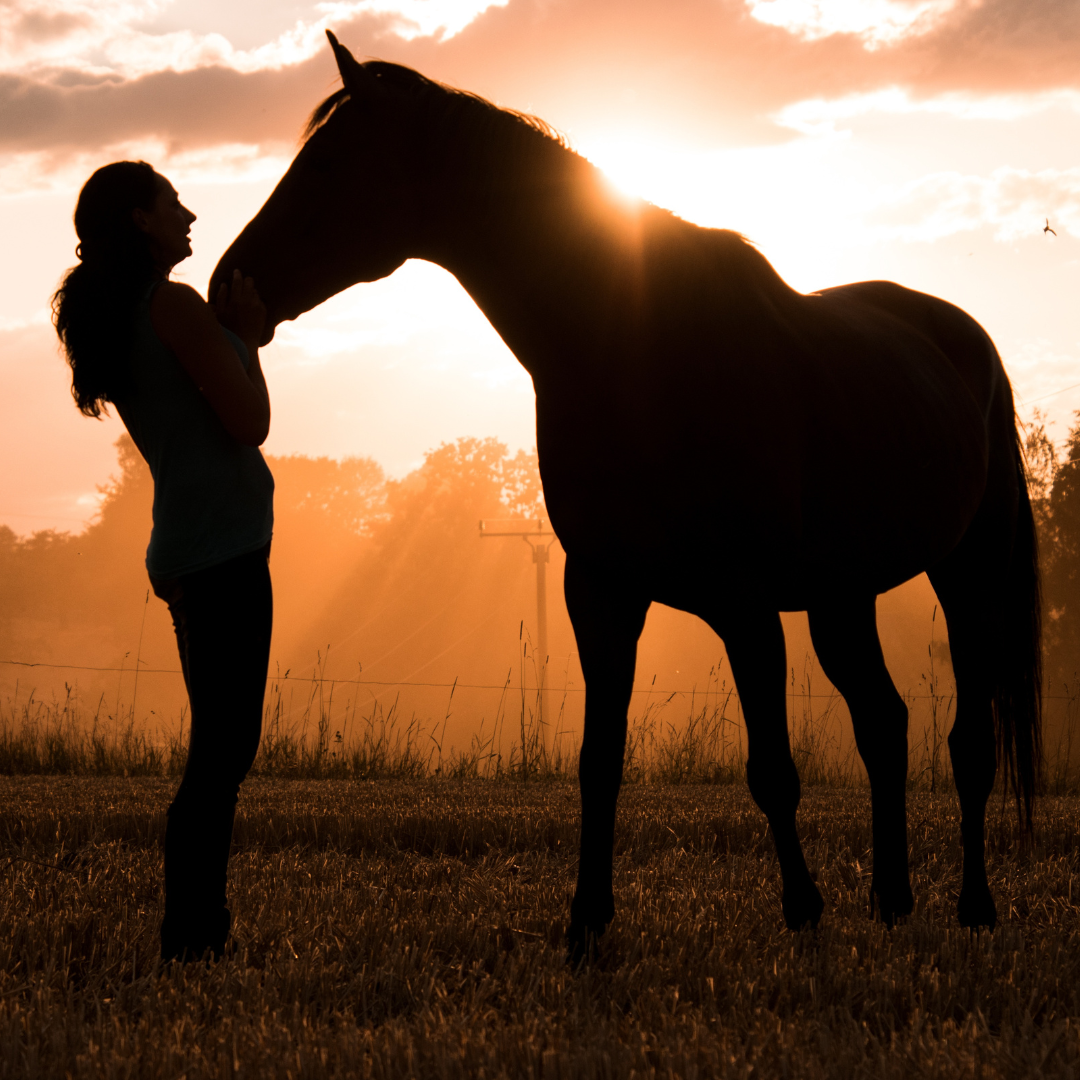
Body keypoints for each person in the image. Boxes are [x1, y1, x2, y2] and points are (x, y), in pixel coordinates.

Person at [52, 160, 274, 962]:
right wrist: (247, 340)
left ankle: (196, 930)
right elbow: (248, 422)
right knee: (223, 753)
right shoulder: (173, 306)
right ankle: (192, 935)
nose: (188, 214)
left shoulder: (134, 311)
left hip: (192, 545)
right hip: (222, 551)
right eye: (171, 202)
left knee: (219, 748)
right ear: (141, 220)